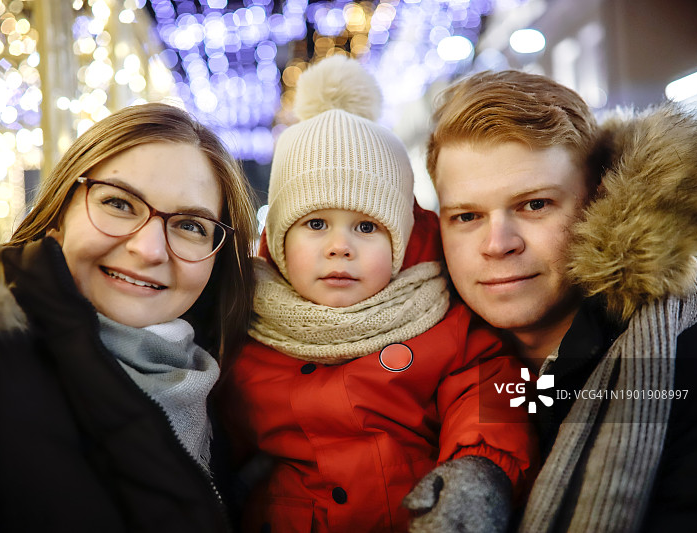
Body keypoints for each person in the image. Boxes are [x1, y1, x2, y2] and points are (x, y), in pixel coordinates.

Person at [217, 56, 538, 533]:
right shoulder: (245, 334)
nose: (340, 246)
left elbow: (491, 393)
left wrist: (479, 469)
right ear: (279, 239)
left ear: (401, 241)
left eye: (367, 227)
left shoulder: (440, 322)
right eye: (315, 223)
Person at [0, 102, 257, 532]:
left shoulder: (219, 394)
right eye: (119, 203)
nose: (148, 249)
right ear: (60, 212)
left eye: (191, 225)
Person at [425, 69, 697, 532]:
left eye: (535, 204)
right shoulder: (413, 370)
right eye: (467, 216)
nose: (498, 244)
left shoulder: (686, 362)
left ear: (600, 202)